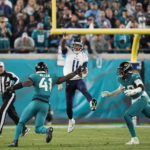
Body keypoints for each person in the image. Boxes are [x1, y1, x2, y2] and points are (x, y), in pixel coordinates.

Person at [8, 62, 85, 147]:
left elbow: (27, 83)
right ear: (45, 69)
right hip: (45, 105)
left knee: (21, 122)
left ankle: (15, 142)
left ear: (37, 69)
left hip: (36, 102)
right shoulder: (52, 76)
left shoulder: (34, 76)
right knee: (38, 128)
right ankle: (47, 130)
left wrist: (13, 87)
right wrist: (76, 72)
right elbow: (66, 77)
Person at [101, 62, 150, 145]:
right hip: (138, 100)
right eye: (119, 70)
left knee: (127, 115)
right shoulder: (121, 79)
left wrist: (133, 91)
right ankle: (134, 139)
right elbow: (119, 90)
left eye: (121, 70)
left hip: (142, 98)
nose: (119, 72)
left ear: (126, 70)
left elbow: (141, 87)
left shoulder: (135, 76)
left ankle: (134, 139)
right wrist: (110, 94)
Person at [61, 35, 97, 133]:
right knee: (69, 106)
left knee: (84, 89)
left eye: (78, 45)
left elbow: (84, 68)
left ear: (81, 46)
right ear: (72, 45)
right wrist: (64, 39)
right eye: (75, 45)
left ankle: (91, 102)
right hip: (69, 80)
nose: (76, 47)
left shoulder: (84, 55)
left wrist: (85, 71)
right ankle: (71, 120)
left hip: (78, 79)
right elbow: (62, 46)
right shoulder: (67, 51)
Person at [0, 62, 29, 136]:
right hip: (4, 95)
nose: (0, 68)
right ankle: (24, 128)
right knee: (12, 114)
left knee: (2, 111)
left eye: (1, 67)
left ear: (4, 67)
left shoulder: (9, 74)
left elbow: (17, 79)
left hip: (10, 94)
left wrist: (12, 87)